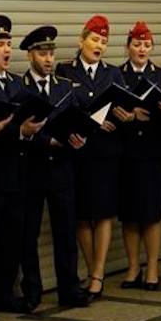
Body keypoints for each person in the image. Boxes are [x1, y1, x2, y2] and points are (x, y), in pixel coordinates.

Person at [0, 15, 44, 316]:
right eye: (0, 44)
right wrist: (19, 131)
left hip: (18, 172)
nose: (6, 50)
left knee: (11, 238)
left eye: (9, 44)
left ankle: (3, 293)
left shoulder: (17, 82)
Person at [18, 25, 89, 307]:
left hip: (61, 167)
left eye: (51, 53)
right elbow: (18, 129)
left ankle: (68, 289)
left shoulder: (64, 86)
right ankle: (32, 291)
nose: (48, 59)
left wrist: (78, 138)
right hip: (31, 169)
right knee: (28, 233)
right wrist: (46, 141)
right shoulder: (19, 86)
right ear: (30, 55)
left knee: (65, 231)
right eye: (41, 53)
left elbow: (74, 120)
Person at [56, 15, 122, 300]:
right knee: (82, 215)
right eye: (95, 40)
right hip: (78, 150)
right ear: (81, 41)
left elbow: (122, 109)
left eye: (104, 42)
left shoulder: (113, 74)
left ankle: (98, 273)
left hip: (106, 152)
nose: (99, 46)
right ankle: (88, 266)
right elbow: (60, 107)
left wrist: (124, 117)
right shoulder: (65, 70)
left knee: (104, 213)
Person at [115, 21, 161, 290]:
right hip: (126, 153)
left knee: (151, 214)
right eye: (136, 44)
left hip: (153, 153)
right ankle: (132, 267)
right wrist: (125, 116)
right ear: (128, 47)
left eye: (146, 45)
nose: (141, 49)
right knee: (129, 214)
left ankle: (152, 268)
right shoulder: (115, 75)